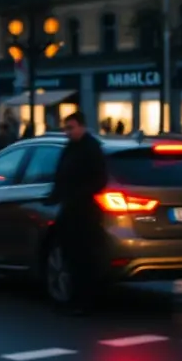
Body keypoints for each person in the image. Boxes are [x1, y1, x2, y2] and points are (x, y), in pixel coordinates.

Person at [46, 111, 108, 314]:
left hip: (85, 212)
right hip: (70, 210)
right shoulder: (70, 148)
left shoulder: (91, 149)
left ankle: (85, 301)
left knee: (84, 257)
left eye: (71, 128)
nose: (68, 132)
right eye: (66, 128)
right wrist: (54, 198)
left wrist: (79, 193)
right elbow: (60, 176)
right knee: (70, 255)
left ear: (82, 126)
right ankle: (73, 298)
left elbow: (100, 179)